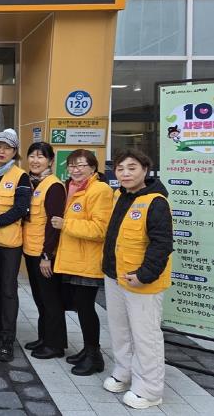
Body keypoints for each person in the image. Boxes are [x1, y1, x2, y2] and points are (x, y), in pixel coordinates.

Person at [102, 149, 173, 410]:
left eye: (132, 168)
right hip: (115, 276)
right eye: (120, 169)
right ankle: (124, 372)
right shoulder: (120, 196)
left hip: (142, 281)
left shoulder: (156, 201)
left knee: (146, 336)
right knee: (120, 330)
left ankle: (150, 390)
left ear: (145, 170)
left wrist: (144, 275)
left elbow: (162, 244)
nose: (125, 173)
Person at [51, 149, 113, 376]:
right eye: (71, 165)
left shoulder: (100, 190)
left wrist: (66, 224)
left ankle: (94, 356)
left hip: (87, 260)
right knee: (80, 306)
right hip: (72, 259)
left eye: (81, 165)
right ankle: (87, 350)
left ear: (93, 167)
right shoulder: (71, 187)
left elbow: (100, 229)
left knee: (86, 309)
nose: (75, 170)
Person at [0, 128, 32, 362]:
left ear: (14, 152)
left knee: (8, 290)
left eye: (7, 148)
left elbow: (22, 208)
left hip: (10, 243)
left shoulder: (21, 177)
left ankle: (8, 339)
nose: (2, 151)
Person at [22, 142, 67, 359]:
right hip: (31, 250)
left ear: (50, 161)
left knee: (51, 299)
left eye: (40, 156)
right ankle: (44, 337)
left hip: (44, 254)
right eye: (32, 156)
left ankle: (55, 345)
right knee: (40, 297)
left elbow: (53, 223)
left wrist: (47, 255)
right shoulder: (32, 183)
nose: (35, 160)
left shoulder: (54, 186)